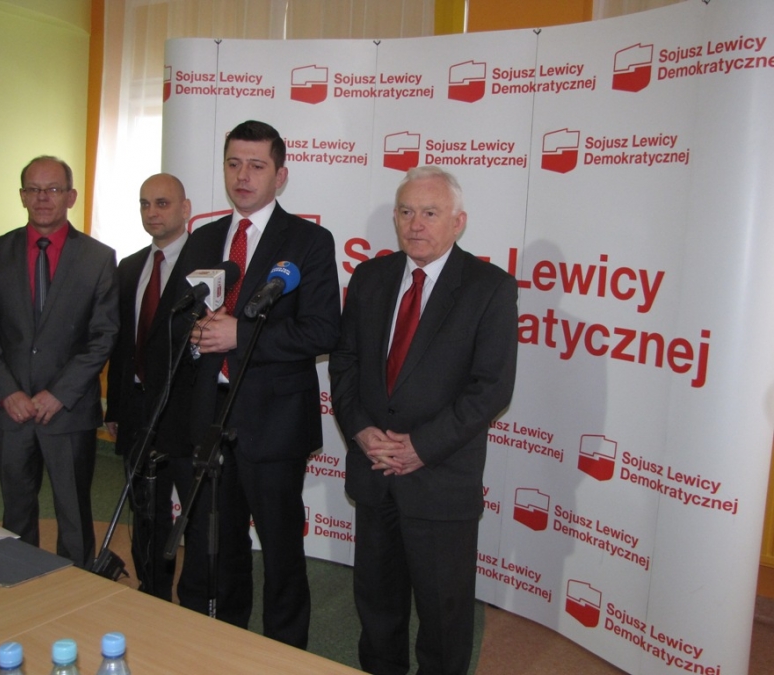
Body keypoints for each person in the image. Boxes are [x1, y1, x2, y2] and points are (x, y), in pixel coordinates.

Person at [329, 166, 518, 675]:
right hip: (375, 473)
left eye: (430, 213)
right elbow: (344, 362)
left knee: (443, 618)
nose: (416, 224)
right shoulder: (370, 278)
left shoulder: (490, 288)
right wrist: (360, 430)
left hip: (439, 479)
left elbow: (490, 388)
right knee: (377, 606)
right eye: (406, 211)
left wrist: (421, 447)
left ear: (458, 222)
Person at [179, 120, 341, 648]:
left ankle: (285, 653)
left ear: (280, 175)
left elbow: (322, 330)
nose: (242, 176)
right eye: (233, 164)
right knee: (221, 547)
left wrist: (239, 335)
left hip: (275, 423)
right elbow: (182, 320)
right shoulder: (205, 238)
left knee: (280, 553)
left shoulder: (309, 241)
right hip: (211, 415)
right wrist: (196, 335)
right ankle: (229, 645)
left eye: (256, 166)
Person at [0, 156, 119, 568]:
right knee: (16, 510)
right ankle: (19, 581)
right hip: (11, 410)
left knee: (74, 514)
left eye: (53, 189)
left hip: (67, 410)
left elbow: (103, 335)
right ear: (22, 196)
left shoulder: (98, 258)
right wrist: (7, 391)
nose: (42, 198)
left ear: (70, 196)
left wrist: (59, 393)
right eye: (33, 189)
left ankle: (76, 588)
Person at [105, 173, 194, 600]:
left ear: (185, 209)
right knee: (145, 510)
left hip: (187, 412)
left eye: (162, 203)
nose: (152, 212)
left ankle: (194, 599)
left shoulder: (206, 264)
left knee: (194, 514)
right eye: (145, 204)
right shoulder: (129, 267)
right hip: (138, 409)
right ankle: (151, 591)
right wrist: (115, 408)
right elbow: (121, 344)